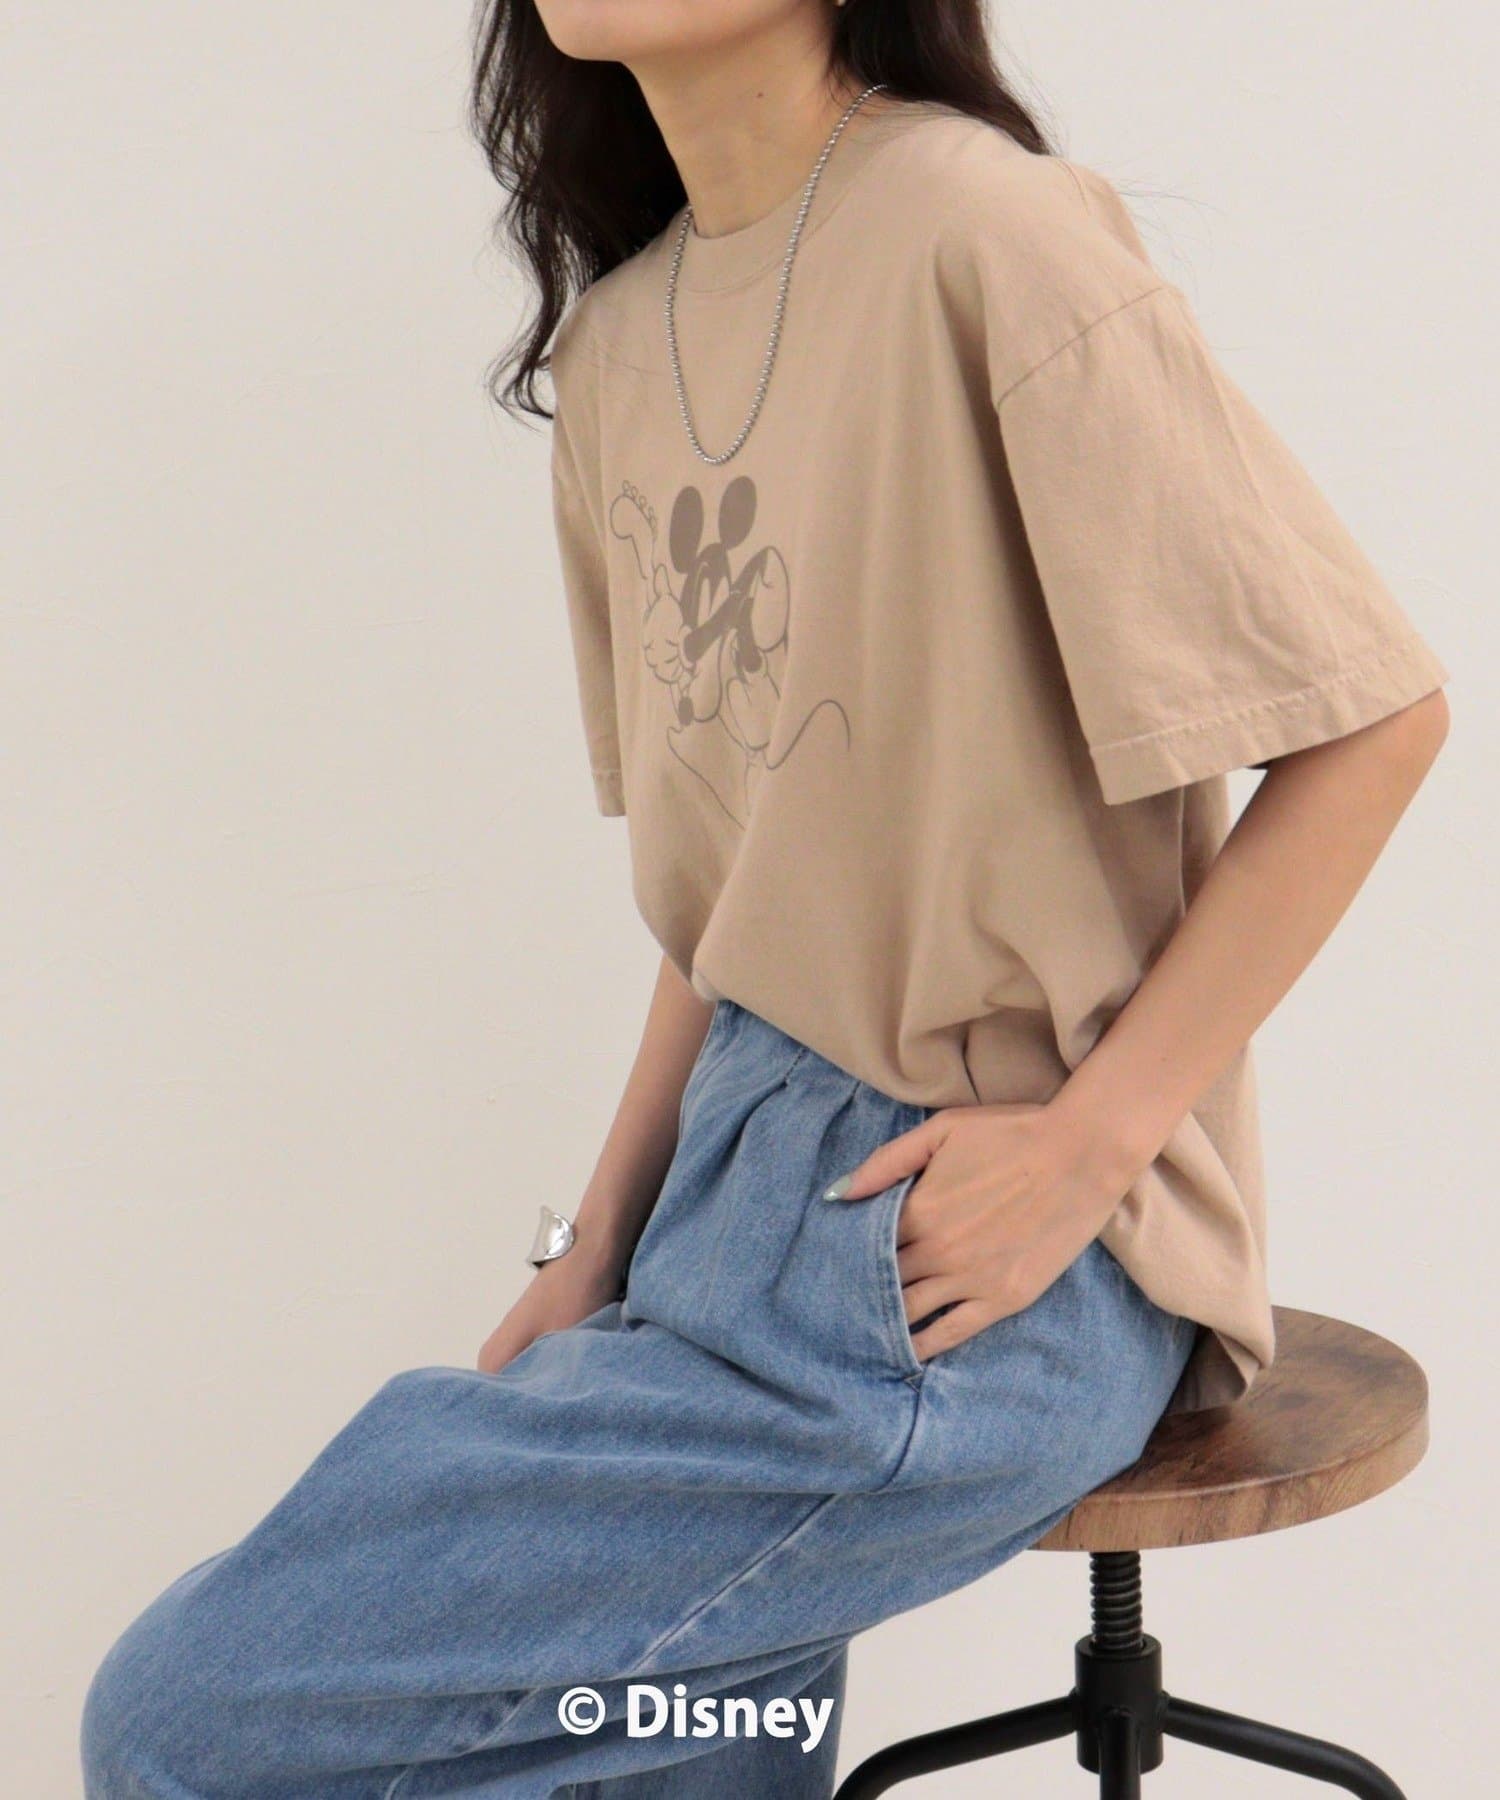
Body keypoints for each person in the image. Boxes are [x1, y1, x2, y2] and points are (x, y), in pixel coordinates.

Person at [81, 2, 1450, 1795]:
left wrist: (1091, 1148)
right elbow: (732, 903)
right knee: (663, 1753)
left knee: (185, 1721)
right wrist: (595, 1243)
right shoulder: (618, 346)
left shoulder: (982, 229)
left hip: (958, 1248)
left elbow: (1374, 724)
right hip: (719, 1203)